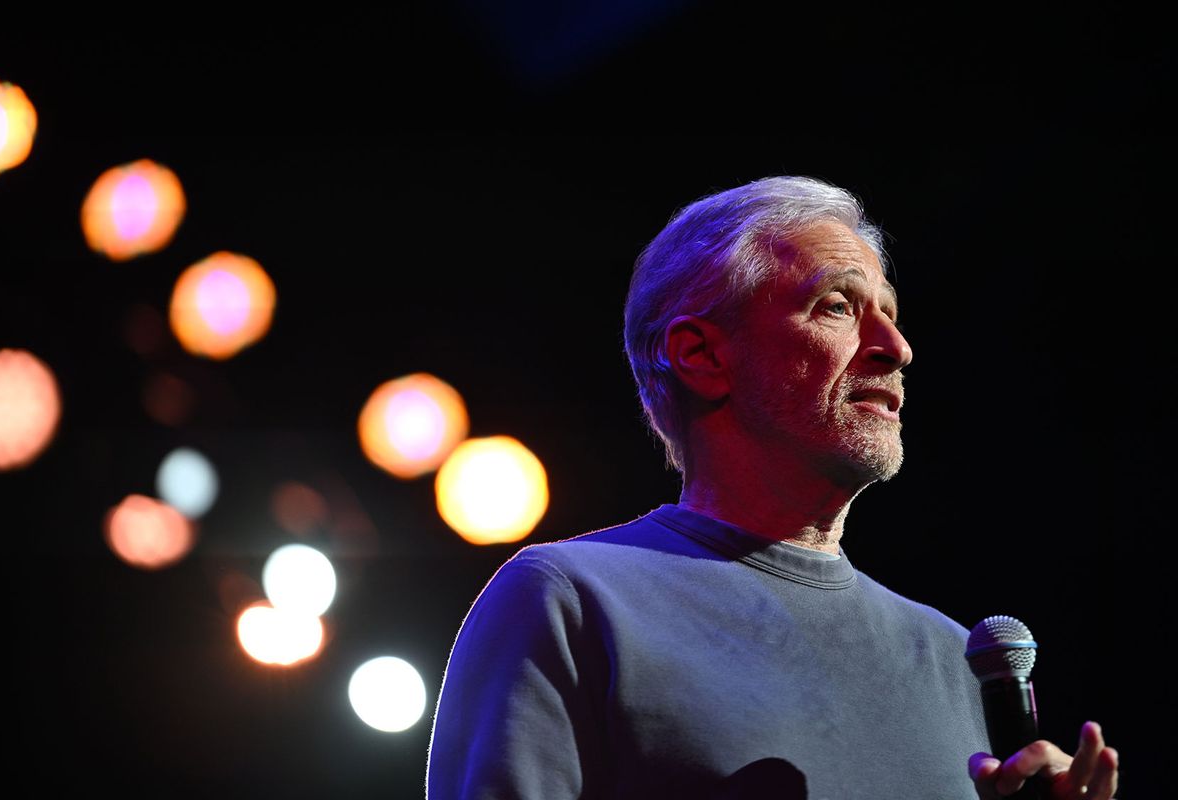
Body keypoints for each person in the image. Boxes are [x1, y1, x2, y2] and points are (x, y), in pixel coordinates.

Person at [425, 176, 1119, 799]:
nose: (896, 347)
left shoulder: (952, 656)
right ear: (700, 355)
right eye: (838, 305)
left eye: (891, 312)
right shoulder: (571, 602)